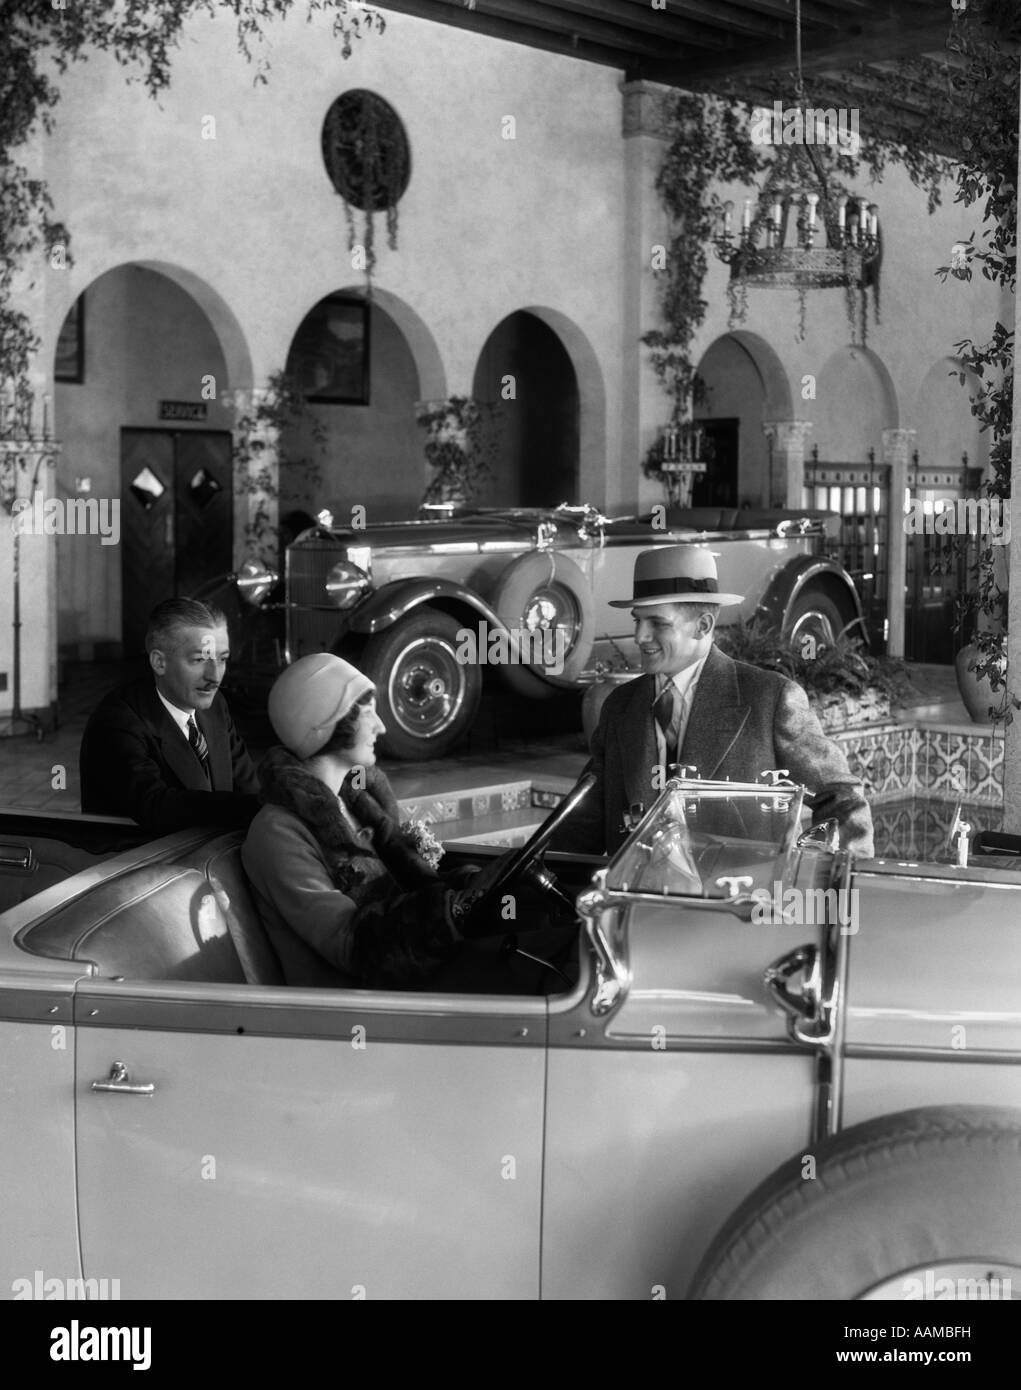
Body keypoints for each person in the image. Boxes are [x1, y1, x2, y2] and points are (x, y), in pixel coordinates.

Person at [553, 546, 874, 857]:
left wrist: (826, 882)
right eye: (638, 620)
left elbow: (842, 800)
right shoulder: (620, 706)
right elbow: (583, 822)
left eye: (657, 623)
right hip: (636, 905)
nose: (640, 636)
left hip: (740, 907)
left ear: (703, 625)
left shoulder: (769, 699)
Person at [242, 653, 473, 989]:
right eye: (369, 714)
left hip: (404, 981)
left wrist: (467, 888)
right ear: (327, 724)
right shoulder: (278, 831)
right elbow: (349, 943)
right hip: (349, 1007)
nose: (382, 727)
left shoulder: (357, 803)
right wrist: (448, 911)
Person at [80, 598, 260, 833]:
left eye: (222, 659)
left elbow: (248, 786)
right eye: (199, 660)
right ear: (159, 662)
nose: (215, 676)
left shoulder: (216, 706)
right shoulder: (116, 722)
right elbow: (156, 806)